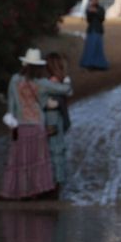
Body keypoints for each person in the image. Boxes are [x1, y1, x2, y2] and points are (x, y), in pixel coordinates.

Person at [0, 48, 71, 200]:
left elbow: (11, 105)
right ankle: (34, 191)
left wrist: (11, 122)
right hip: (37, 125)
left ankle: (17, 191)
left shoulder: (14, 80)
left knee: (18, 159)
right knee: (36, 161)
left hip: (20, 124)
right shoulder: (41, 83)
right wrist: (65, 78)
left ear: (24, 64)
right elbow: (65, 90)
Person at [43, 51, 74, 191]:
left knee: (53, 148)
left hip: (51, 117)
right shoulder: (62, 82)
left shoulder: (51, 83)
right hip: (60, 117)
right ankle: (59, 178)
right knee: (58, 147)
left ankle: (55, 180)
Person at [81, 0, 109, 70]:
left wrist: (96, 12)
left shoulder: (101, 8)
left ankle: (99, 64)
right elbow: (88, 20)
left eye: (95, 0)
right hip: (91, 30)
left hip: (98, 30)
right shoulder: (89, 9)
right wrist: (90, 12)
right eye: (92, 0)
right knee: (90, 48)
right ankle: (89, 63)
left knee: (98, 47)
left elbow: (102, 18)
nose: (94, 1)